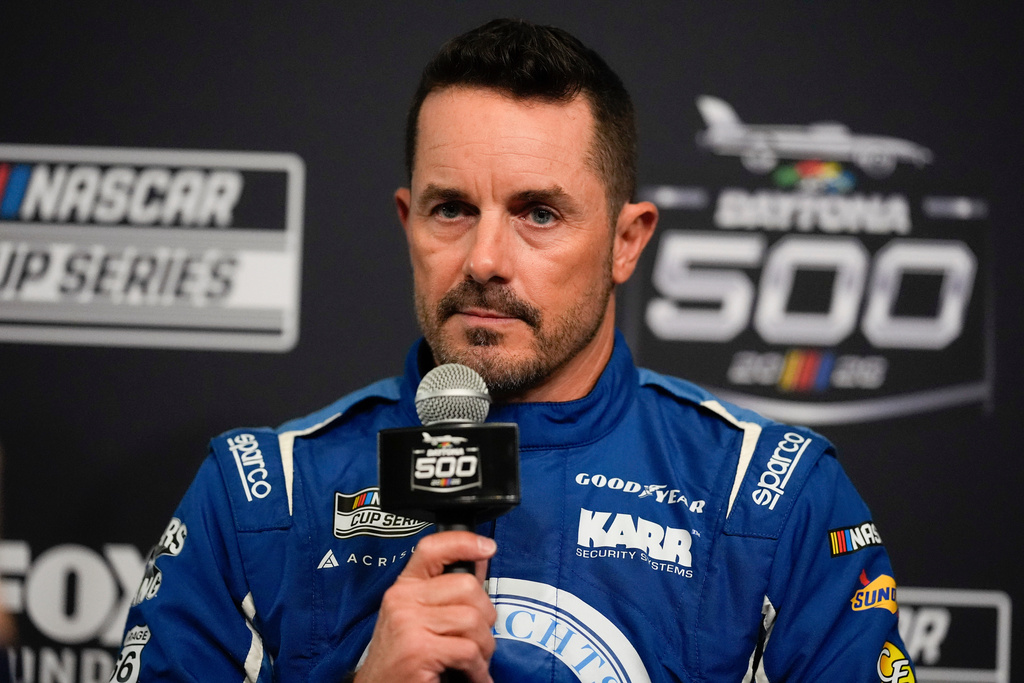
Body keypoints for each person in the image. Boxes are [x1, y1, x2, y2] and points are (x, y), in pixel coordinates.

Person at [115, 18, 914, 683]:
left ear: (626, 241)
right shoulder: (259, 496)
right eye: (452, 208)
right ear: (408, 223)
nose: (484, 258)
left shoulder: (772, 497)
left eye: (538, 213)